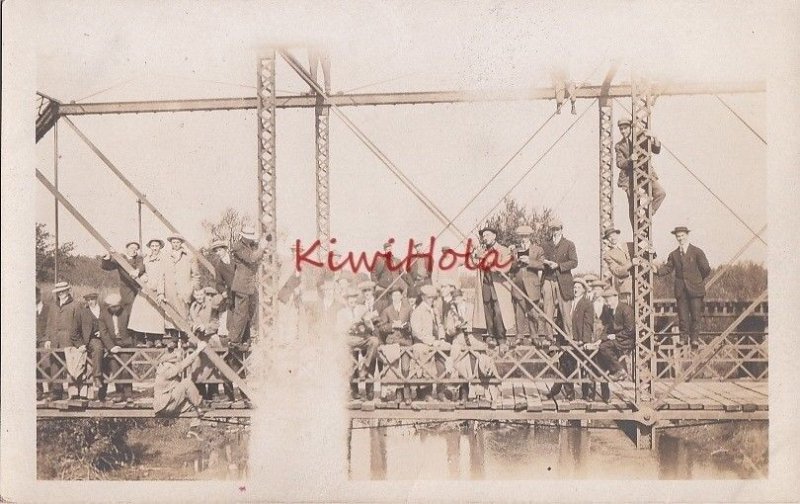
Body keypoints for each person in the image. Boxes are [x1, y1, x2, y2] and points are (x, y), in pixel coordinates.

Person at [655, 226, 711, 349]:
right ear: (676, 237)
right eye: (678, 236)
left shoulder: (697, 252)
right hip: (681, 290)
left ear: (687, 235)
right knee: (683, 316)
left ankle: (694, 339)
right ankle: (683, 338)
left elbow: (706, 268)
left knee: (696, 315)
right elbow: (668, 268)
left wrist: (697, 279)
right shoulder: (674, 254)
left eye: (682, 236)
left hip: (695, 289)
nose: (680, 238)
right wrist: (656, 270)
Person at [446, 288, 499, 403]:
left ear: (462, 297)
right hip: (460, 339)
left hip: (473, 338)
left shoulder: (472, 307)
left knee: (480, 360)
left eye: (458, 298)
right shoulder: (451, 312)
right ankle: (463, 393)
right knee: (459, 364)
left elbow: (481, 324)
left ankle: (483, 393)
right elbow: (448, 330)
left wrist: (468, 326)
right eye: (455, 299)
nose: (457, 300)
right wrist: (456, 328)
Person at [615, 118, 667, 228]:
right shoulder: (619, 145)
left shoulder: (641, 138)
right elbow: (619, 163)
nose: (623, 131)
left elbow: (656, 150)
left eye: (625, 128)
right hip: (629, 178)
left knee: (660, 193)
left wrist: (654, 137)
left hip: (644, 173)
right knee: (634, 205)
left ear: (630, 128)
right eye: (621, 129)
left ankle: (646, 219)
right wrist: (630, 159)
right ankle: (636, 230)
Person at [546, 279, 592, 400]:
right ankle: (569, 393)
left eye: (578, 287)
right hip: (566, 340)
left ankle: (586, 394)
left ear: (584, 289)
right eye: (574, 287)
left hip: (580, 340)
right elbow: (560, 321)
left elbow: (588, 324)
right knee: (566, 366)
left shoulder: (586, 303)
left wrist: (584, 340)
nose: (575, 289)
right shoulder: (566, 303)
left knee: (584, 367)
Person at [471, 227, 515, 351]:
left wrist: (492, 263)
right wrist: (474, 254)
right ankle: (491, 337)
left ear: (494, 236)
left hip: (498, 286)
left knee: (498, 310)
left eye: (488, 235)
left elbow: (506, 266)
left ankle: (501, 339)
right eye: (483, 236)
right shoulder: (482, 251)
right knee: (487, 309)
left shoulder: (503, 250)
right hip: (486, 284)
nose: (485, 238)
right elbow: (475, 263)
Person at [337, 287, 381, 400]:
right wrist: (352, 323)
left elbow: (370, 327)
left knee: (374, 341)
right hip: (350, 340)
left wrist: (367, 322)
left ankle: (365, 367)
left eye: (354, 299)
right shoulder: (341, 313)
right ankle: (353, 391)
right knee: (350, 362)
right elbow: (340, 330)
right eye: (350, 299)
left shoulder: (362, 309)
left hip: (362, 338)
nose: (353, 301)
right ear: (347, 300)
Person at [410, 284, 450, 402]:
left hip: (436, 342)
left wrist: (442, 338)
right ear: (423, 297)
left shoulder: (435, 310)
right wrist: (432, 342)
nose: (432, 300)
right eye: (429, 298)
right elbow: (417, 332)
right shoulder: (418, 311)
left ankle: (441, 391)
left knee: (442, 361)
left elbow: (440, 325)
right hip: (423, 343)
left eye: (433, 298)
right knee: (424, 362)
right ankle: (425, 393)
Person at [153, 340, 207, 427]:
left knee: (193, 406)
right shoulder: (165, 371)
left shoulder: (163, 368)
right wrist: (198, 350)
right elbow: (184, 364)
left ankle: (194, 427)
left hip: (167, 404)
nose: (175, 363)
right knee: (187, 383)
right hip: (165, 407)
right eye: (173, 362)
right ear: (166, 362)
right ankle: (200, 405)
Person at [229, 226, 268, 348]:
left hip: (248, 286)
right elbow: (252, 258)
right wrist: (262, 247)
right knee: (241, 313)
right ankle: (234, 341)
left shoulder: (248, 246)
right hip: (242, 285)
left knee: (247, 313)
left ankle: (245, 339)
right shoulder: (238, 247)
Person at [589, 289, 635, 390]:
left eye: (609, 300)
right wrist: (601, 339)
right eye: (606, 301)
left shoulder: (626, 309)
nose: (608, 303)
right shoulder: (609, 310)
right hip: (618, 338)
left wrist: (616, 336)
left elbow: (630, 330)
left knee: (604, 347)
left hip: (627, 339)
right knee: (599, 346)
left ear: (616, 297)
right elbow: (608, 327)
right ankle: (608, 372)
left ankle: (619, 370)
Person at [541, 219, 579, 342]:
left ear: (561, 229)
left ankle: (569, 337)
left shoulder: (569, 244)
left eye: (557, 229)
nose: (555, 231)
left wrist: (558, 266)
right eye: (553, 229)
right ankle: (549, 337)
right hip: (548, 278)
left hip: (563, 280)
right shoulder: (545, 244)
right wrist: (545, 262)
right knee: (547, 309)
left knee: (565, 310)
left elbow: (574, 262)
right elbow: (540, 259)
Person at [45, 282, 84, 400]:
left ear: (68, 291)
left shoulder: (75, 305)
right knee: (55, 366)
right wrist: (47, 339)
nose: (61, 294)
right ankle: (56, 392)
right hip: (55, 340)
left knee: (71, 367)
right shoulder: (53, 306)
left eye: (63, 291)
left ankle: (73, 393)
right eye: (58, 292)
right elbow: (49, 323)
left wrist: (78, 342)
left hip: (69, 341)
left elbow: (79, 324)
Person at [377, 284, 414, 404]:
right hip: (392, 342)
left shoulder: (408, 309)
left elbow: (412, 325)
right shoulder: (387, 310)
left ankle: (407, 395)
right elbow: (381, 327)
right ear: (392, 297)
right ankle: (398, 395)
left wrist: (405, 326)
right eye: (394, 295)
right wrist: (392, 326)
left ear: (402, 296)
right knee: (396, 369)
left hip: (405, 342)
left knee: (405, 368)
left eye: (398, 295)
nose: (396, 297)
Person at [510, 225, 545, 346]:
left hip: (532, 285)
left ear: (530, 236)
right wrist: (516, 261)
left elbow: (542, 265)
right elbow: (511, 267)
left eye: (525, 236)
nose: (523, 238)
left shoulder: (538, 249)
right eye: (521, 236)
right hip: (518, 285)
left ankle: (534, 336)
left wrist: (529, 262)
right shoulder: (515, 250)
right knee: (519, 311)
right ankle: (519, 336)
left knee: (532, 312)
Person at [128, 238, 167, 347]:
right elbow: (141, 269)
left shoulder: (164, 259)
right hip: (145, 289)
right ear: (150, 247)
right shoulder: (145, 259)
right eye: (152, 246)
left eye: (156, 246)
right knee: (143, 314)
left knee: (157, 315)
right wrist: (143, 276)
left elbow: (162, 277)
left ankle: (158, 339)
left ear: (160, 247)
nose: (154, 248)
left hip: (157, 290)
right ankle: (147, 340)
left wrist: (160, 293)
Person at [163, 234, 200, 343]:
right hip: (170, 290)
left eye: (178, 242)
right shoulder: (165, 256)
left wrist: (192, 289)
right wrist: (162, 292)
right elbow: (162, 275)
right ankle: (173, 340)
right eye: (173, 242)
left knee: (185, 314)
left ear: (181, 243)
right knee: (171, 313)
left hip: (185, 290)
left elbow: (196, 275)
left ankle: (185, 339)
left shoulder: (189, 256)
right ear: (171, 243)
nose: (175, 244)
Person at [96, 293, 133, 403]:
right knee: (115, 369)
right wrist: (111, 347)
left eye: (116, 307)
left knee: (126, 369)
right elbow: (103, 332)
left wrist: (130, 343)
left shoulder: (126, 313)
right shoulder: (103, 315)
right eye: (112, 307)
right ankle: (119, 393)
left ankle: (128, 394)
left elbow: (132, 330)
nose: (114, 309)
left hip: (125, 345)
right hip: (112, 345)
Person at [100, 241, 144, 317]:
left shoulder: (138, 258)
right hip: (125, 289)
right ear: (126, 249)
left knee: (137, 312)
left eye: (136, 249)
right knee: (125, 311)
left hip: (138, 288)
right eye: (131, 248)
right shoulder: (121, 258)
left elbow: (141, 266)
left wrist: (137, 271)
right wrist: (107, 259)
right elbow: (109, 266)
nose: (134, 250)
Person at [210, 240, 235, 341]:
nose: (218, 253)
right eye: (216, 251)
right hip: (230, 291)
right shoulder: (219, 266)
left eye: (219, 250)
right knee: (226, 309)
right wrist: (223, 291)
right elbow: (218, 283)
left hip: (242, 289)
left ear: (225, 250)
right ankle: (226, 333)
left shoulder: (235, 260)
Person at [602, 228, 634, 304]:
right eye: (609, 237)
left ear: (617, 234)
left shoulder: (630, 245)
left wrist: (652, 252)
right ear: (607, 240)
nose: (612, 238)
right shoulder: (608, 254)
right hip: (626, 286)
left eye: (613, 235)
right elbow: (617, 271)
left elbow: (644, 254)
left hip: (641, 283)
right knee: (628, 310)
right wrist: (631, 263)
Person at [36, 287, 50, 400]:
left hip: (44, 340)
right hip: (31, 341)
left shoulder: (48, 308)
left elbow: (51, 325)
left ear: (39, 295)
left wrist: (47, 338)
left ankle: (52, 390)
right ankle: (38, 391)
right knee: (34, 366)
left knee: (47, 364)